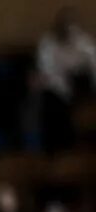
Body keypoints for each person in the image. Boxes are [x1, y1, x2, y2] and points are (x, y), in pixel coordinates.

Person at [27, 8, 96, 150]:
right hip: (56, 91)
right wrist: (64, 86)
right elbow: (47, 72)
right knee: (46, 100)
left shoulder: (83, 41)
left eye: (72, 25)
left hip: (83, 88)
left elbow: (93, 64)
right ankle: (57, 148)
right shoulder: (48, 44)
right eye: (65, 25)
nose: (69, 30)